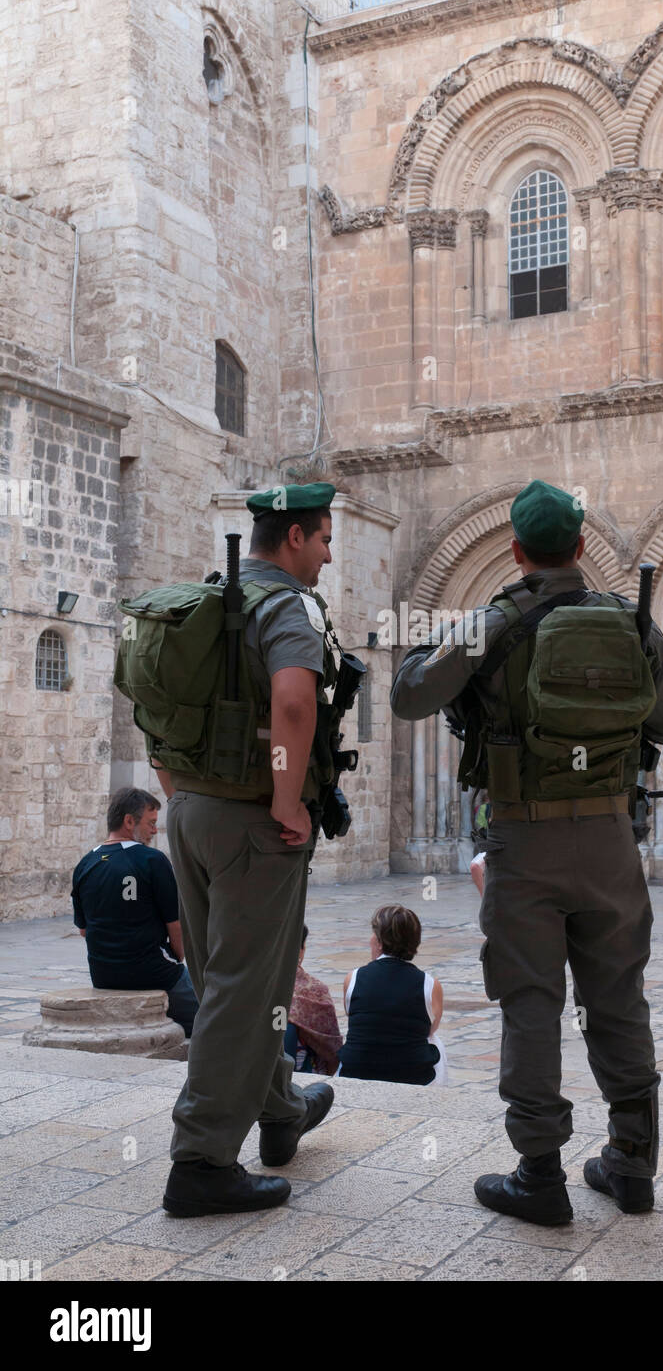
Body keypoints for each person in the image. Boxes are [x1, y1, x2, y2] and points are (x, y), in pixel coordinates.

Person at [391, 479, 663, 1225]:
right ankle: (631, 1163)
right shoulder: (632, 624)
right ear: (582, 547)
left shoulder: (491, 623)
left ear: (518, 550)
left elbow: (407, 698)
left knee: (530, 1002)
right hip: (610, 841)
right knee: (618, 999)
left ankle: (539, 1175)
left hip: (524, 839)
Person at [159, 483, 340, 1219]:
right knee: (244, 987)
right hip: (248, 820)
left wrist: (176, 787)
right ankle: (199, 1161)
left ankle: (279, 1110)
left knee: (228, 978)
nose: (328, 554)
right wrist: (285, 796)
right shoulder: (287, 607)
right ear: (293, 537)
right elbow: (294, 702)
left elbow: (153, 701)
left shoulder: (200, 603)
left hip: (191, 809)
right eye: (325, 538)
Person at [71, 788, 198, 1038]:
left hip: (102, 974)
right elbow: (176, 926)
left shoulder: (85, 864)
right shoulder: (152, 860)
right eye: (151, 823)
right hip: (153, 972)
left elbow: (84, 930)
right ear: (129, 821)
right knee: (215, 1015)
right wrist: (179, 958)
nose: (154, 830)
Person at [338, 905, 445, 1086]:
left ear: (379, 941)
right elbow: (430, 1029)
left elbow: (355, 1017)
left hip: (356, 1071)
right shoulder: (430, 985)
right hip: (413, 1075)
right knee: (435, 1041)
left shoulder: (353, 978)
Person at [284, 925, 343, 1075]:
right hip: (302, 1078)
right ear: (301, 950)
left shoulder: (252, 986)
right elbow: (332, 1052)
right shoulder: (316, 991)